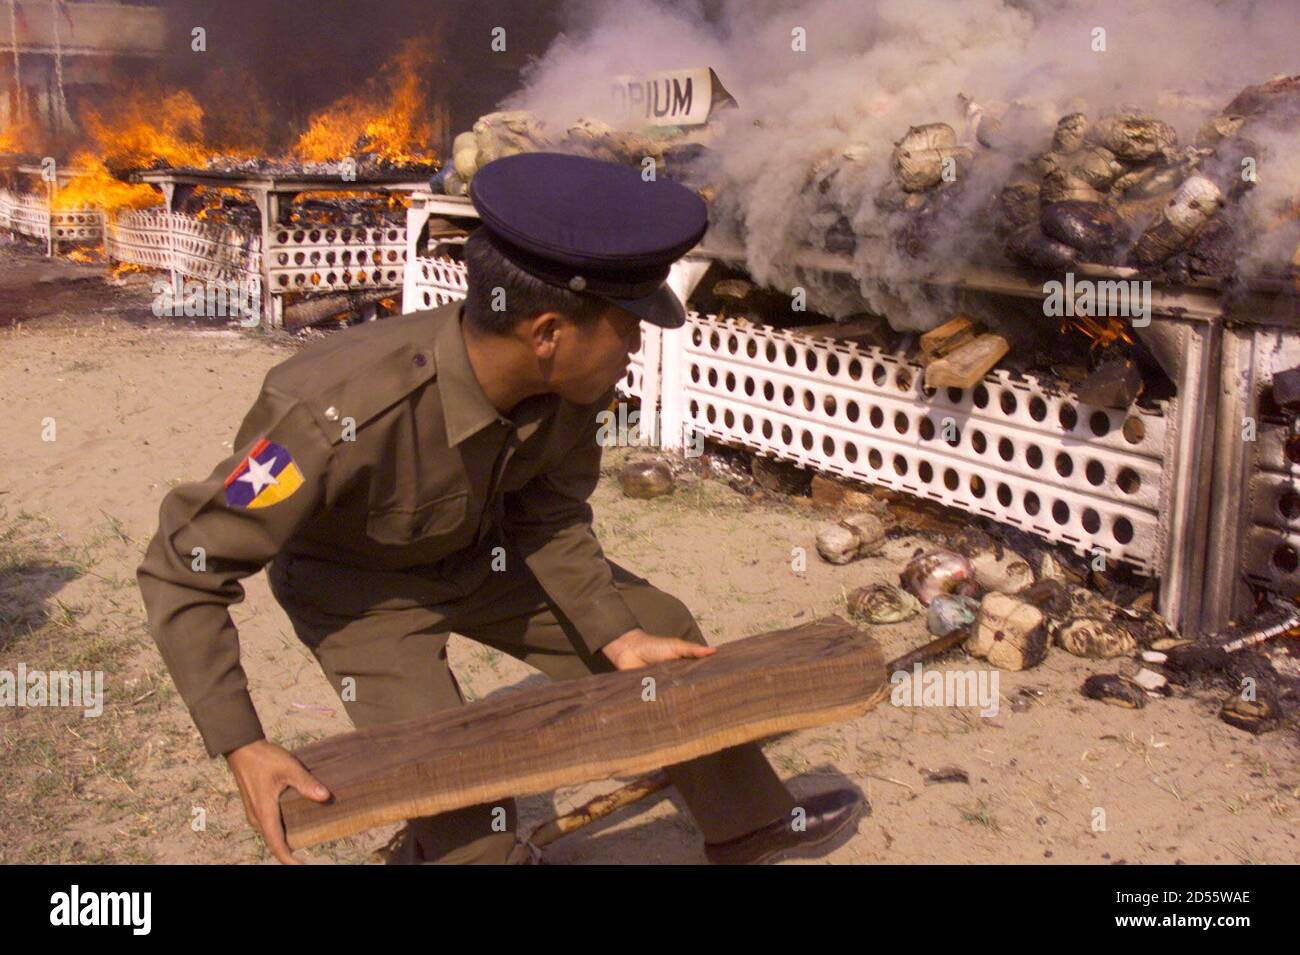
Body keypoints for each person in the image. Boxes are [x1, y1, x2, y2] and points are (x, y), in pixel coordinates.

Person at [137, 151, 865, 864]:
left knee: (660, 634)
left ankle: (750, 826)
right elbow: (182, 563)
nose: (638, 344)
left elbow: (549, 515)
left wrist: (616, 637)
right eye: (628, 324)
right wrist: (244, 742)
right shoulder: (333, 411)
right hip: (361, 589)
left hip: (482, 551)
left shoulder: (574, 384)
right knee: (467, 799)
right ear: (547, 333)